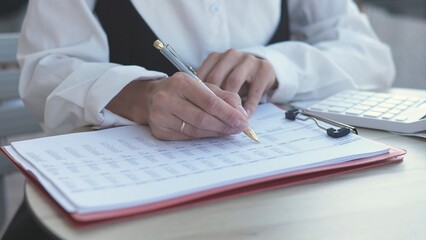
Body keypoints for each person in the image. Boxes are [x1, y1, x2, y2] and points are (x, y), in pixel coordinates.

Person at [3, 0, 395, 239]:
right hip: (117, 211)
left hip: (276, 207)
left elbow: (371, 57)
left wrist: (278, 65)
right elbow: (44, 70)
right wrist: (143, 95)